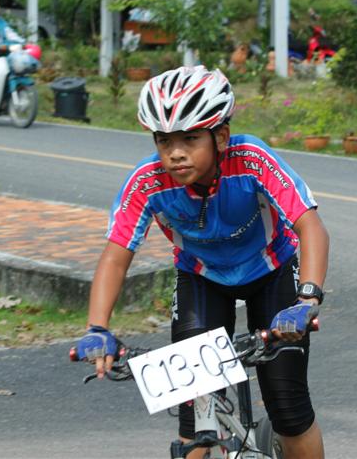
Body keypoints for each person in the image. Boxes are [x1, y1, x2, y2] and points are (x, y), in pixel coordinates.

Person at [75, 66, 329, 458]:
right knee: (195, 421)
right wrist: (97, 328)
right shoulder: (147, 182)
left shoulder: (251, 159)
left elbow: (311, 227)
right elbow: (115, 257)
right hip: (202, 279)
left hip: (271, 272)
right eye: (164, 141)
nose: (175, 153)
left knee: (288, 409)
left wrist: (307, 299)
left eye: (190, 138)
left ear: (221, 137)